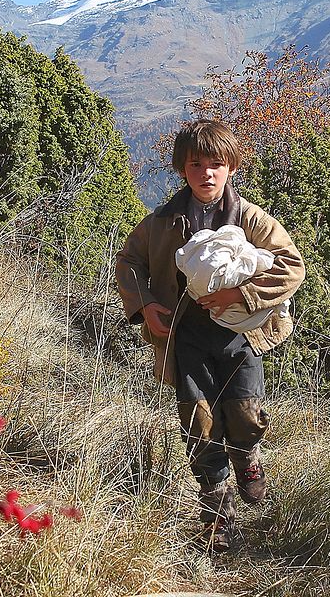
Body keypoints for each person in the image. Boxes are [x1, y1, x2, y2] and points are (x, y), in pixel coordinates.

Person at [115, 119, 305, 552]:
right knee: (199, 424)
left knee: (245, 414)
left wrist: (242, 292)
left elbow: (292, 267)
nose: (207, 173)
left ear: (231, 167)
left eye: (216, 164)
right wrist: (145, 305)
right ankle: (218, 515)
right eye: (196, 164)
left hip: (243, 337)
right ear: (182, 169)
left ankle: (248, 459)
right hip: (186, 338)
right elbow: (129, 263)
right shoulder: (162, 222)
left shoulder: (252, 219)